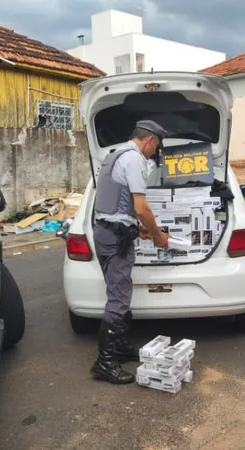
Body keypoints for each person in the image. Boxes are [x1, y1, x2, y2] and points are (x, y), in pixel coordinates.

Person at [90, 119, 170, 384]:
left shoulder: (114, 155)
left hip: (107, 232)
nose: (154, 152)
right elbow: (141, 208)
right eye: (155, 146)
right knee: (118, 298)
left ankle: (121, 348)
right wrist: (158, 236)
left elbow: (116, 208)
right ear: (150, 141)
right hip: (115, 238)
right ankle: (105, 363)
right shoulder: (134, 159)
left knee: (119, 291)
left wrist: (141, 231)